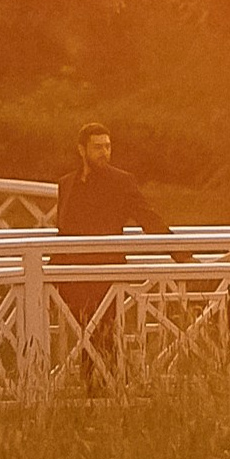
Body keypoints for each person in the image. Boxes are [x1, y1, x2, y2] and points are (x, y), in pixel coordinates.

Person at [55, 121, 181, 390]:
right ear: (82, 150)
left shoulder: (120, 181)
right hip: (72, 276)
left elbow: (148, 218)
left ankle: (107, 390)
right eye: (98, 147)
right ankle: (94, 389)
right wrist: (50, 273)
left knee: (102, 333)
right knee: (81, 335)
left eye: (108, 146)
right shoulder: (66, 184)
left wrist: (181, 254)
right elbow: (62, 230)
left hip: (106, 273)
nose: (104, 152)